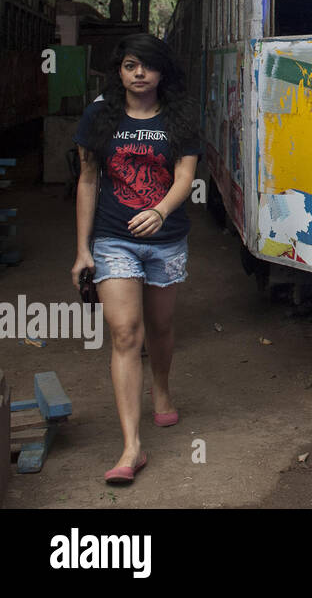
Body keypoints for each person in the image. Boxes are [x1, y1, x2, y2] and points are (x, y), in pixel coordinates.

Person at [70, 33, 200, 484]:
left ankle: (160, 388)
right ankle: (131, 447)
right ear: (120, 71)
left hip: (166, 239)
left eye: (147, 66)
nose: (139, 73)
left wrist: (160, 210)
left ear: (162, 72)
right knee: (126, 333)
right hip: (113, 238)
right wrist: (83, 249)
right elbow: (88, 180)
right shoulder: (99, 116)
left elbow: (185, 176)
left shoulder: (180, 116)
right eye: (130, 65)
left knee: (160, 326)